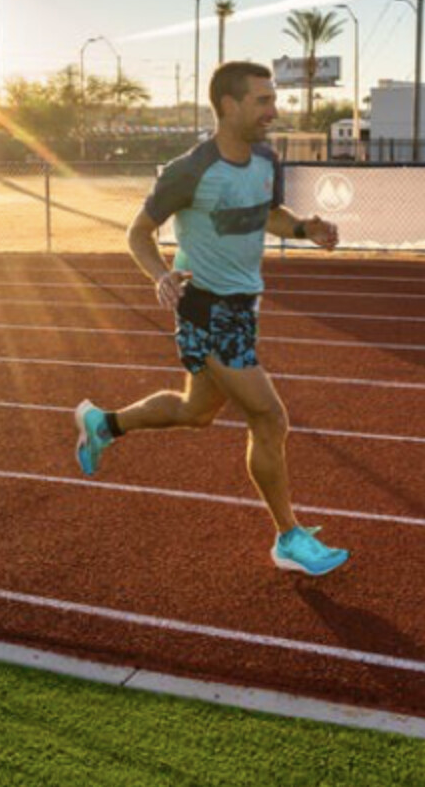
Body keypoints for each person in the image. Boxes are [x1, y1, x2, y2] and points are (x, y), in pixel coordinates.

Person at [72, 61, 349, 577]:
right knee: (269, 418)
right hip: (204, 308)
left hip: (244, 308)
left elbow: (267, 214)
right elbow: (138, 233)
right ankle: (288, 536)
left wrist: (304, 228)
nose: (274, 109)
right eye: (262, 100)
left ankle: (103, 424)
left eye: (273, 99)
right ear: (229, 105)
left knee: (196, 412)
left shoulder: (266, 158)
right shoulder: (190, 169)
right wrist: (159, 274)